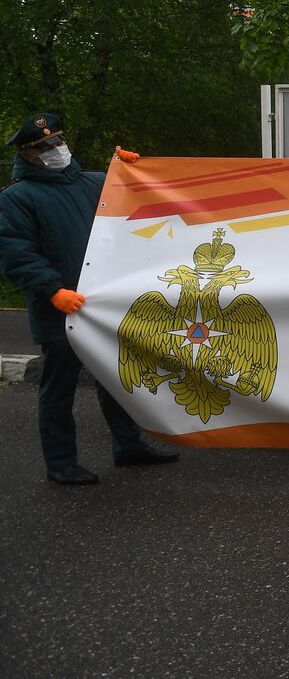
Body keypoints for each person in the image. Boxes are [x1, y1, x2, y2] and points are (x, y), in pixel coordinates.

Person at [0, 112, 178, 484]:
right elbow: (17, 254)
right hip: (60, 307)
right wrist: (52, 290)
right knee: (59, 387)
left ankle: (128, 446)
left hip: (104, 304)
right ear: (28, 154)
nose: (56, 149)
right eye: (44, 146)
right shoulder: (17, 198)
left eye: (58, 141)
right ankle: (61, 462)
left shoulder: (93, 183)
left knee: (115, 378)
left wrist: (133, 170)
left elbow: (141, 201)